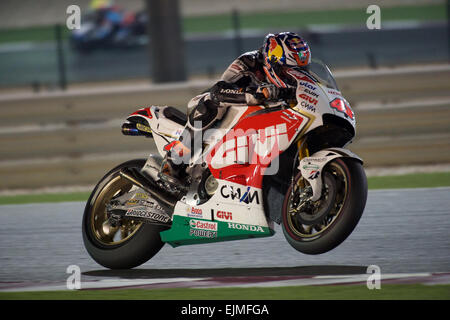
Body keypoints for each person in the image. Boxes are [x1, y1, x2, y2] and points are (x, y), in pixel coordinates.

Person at [164, 32, 312, 180]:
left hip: (258, 118)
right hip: (227, 104)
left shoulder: (292, 82)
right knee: (211, 105)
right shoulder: (248, 62)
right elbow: (218, 90)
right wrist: (254, 94)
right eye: (287, 71)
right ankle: (175, 160)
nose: (292, 76)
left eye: (300, 70)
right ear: (272, 62)